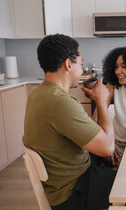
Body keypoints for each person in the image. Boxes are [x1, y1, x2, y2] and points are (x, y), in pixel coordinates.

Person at [23, 34, 116, 210]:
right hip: (73, 193)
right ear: (68, 64)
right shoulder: (60, 102)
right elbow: (107, 148)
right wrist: (102, 102)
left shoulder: (37, 94)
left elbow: (88, 133)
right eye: (80, 65)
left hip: (59, 184)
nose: (81, 71)